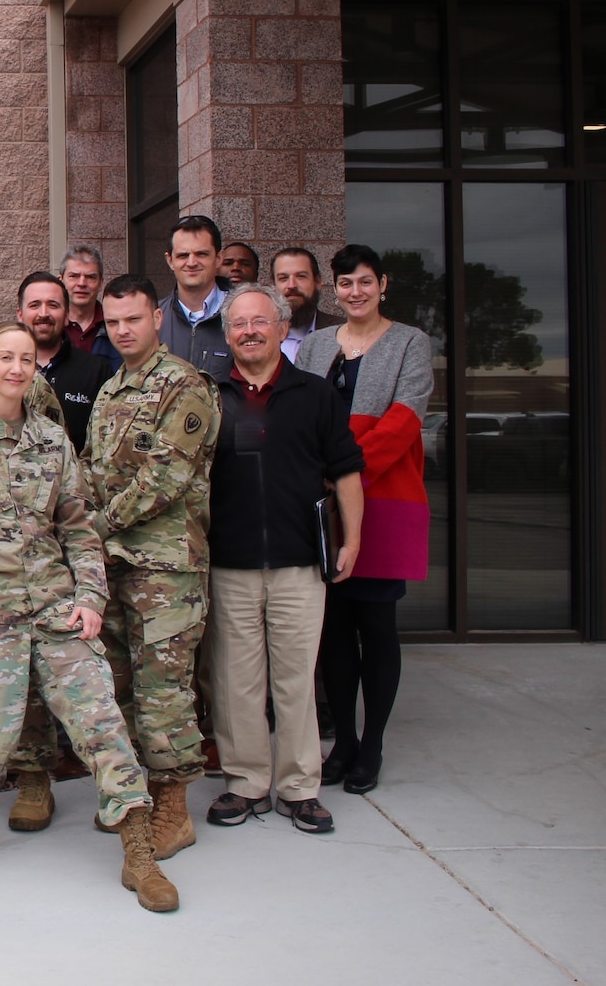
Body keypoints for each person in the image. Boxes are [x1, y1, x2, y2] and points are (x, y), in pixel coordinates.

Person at [0, 321, 178, 913]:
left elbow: (81, 531)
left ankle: (139, 851)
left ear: (35, 369)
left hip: (56, 609)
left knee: (101, 721)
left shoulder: (53, 443)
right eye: (5, 358)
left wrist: (90, 598)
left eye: (25, 359)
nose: (15, 368)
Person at [206, 285, 365, 835]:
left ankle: (300, 788)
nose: (249, 331)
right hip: (229, 564)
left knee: (296, 679)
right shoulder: (208, 396)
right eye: (239, 324)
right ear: (227, 335)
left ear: (281, 328)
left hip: (300, 562)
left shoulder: (316, 394)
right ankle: (245, 782)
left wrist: (353, 539)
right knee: (236, 681)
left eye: (260, 322)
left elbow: (346, 469)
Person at [83, 274, 221, 860]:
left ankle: (174, 808)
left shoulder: (185, 387)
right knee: (119, 686)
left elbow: (165, 476)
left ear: (157, 318)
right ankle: (136, 796)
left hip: (167, 566)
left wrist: (97, 523)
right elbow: (91, 467)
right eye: (113, 322)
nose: (122, 330)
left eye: (132, 319)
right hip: (114, 565)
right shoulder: (112, 388)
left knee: (164, 689)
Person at [295, 245, 432, 797]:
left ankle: (372, 743)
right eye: (346, 283)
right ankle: (343, 742)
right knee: (333, 630)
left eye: (365, 282)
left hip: (385, 498)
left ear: (383, 285)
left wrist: (343, 468)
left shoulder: (410, 343)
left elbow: (405, 419)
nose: (356, 292)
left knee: (376, 627)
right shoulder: (314, 346)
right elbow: (299, 410)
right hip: (323, 508)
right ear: (334, 289)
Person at [18, 270, 112, 452]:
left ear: (67, 314)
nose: (43, 313)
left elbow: (103, 445)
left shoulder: (97, 370)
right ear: (20, 314)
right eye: (34, 305)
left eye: (53, 305)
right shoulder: (1, 370)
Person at [158, 216, 233, 380]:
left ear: (219, 258)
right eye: (183, 255)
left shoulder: (241, 315)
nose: (191, 263)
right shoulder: (154, 320)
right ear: (170, 260)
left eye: (201, 254)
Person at [272, 248, 340, 364]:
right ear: (273, 285)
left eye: (301, 276)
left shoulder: (340, 330)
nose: (292, 285)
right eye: (283, 278)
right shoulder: (259, 333)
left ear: (318, 282)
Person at [59, 246, 121, 367]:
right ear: (60, 281)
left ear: (100, 283)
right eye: (74, 276)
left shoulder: (116, 326)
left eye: (91, 277)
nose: (82, 283)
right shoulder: (51, 326)